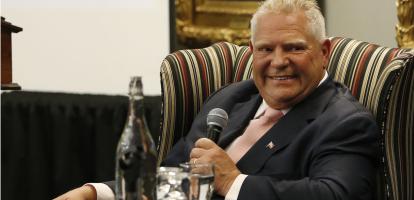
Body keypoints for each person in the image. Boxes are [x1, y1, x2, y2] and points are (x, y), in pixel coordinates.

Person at [54, 0, 379, 199]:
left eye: (294, 47)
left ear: (323, 53)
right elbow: (173, 177)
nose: (278, 61)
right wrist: (98, 192)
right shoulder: (232, 99)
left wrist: (234, 183)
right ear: (252, 53)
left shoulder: (345, 122)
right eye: (266, 49)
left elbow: (337, 195)